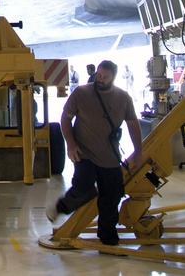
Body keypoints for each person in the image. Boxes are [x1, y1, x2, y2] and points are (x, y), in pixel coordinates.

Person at [47, 60, 143, 245]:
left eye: (105, 77)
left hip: (110, 157)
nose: (100, 79)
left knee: (112, 195)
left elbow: (133, 124)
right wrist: (71, 144)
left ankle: (107, 234)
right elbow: (65, 119)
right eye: (99, 75)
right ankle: (60, 207)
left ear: (113, 77)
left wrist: (138, 151)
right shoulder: (81, 93)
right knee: (83, 186)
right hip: (84, 153)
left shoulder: (123, 98)